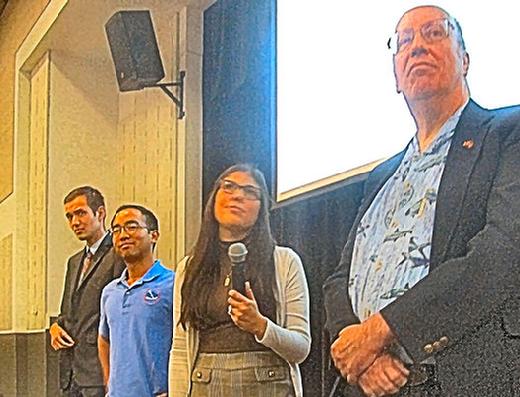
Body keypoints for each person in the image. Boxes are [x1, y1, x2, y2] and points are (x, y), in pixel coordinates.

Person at [323, 5, 520, 397]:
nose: (416, 47)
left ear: (465, 59)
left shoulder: (506, 134)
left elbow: (503, 251)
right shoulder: (382, 175)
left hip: (454, 379)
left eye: (434, 33)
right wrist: (359, 348)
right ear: (396, 75)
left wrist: (382, 330)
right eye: (404, 41)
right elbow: (338, 278)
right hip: (366, 383)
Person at [169, 164, 311, 396]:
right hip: (205, 382)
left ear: (262, 208)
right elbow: (180, 349)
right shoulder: (189, 267)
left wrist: (260, 326)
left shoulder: (284, 261)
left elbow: (301, 348)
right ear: (213, 197)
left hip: (269, 382)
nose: (237, 195)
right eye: (228, 186)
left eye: (250, 192)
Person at [50, 186, 125, 397]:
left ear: (100, 213)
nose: (74, 222)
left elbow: (121, 317)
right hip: (70, 373)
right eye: (69, 216)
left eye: (81, 213)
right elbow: (68, 312)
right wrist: (55, 327)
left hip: (100, 373)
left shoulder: (119, 253)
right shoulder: (74, 262)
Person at [98, 204, 174, 397]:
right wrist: (109, 383)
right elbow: (104, 339)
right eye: (116, 229)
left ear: (154, 235)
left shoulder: (173, 285)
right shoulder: (110, 292)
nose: (123, 235)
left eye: (132, 226)